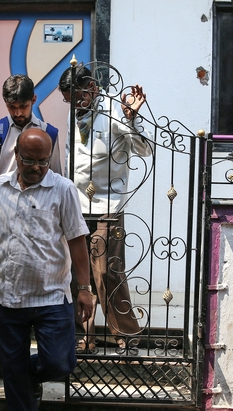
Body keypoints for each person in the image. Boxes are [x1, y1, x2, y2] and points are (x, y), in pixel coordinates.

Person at [0, 128, 94, 411]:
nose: (36, 167)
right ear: (16, 156)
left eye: (43, 161)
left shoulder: (63, 189)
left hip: (51, 294)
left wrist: (84, 287)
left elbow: (77, 240)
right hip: (6, 297)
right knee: (11, 367)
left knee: (60, 362)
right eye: (30, 160)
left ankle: (28, 377)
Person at [58, 66, 154, 352]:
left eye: (77, 97)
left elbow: (145, 149)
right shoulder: (75, 113)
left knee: (106, 273)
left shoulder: (115, 111)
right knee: (79, 274)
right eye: (68, 100)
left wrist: (132, 118)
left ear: (92, 88)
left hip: (107, 206)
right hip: (76, 205)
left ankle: (126, 337)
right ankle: (83, 337)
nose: (74, 105)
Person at [0, 74, 65, 243]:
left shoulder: (49, 134)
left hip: (39, 214)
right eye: (12, 107)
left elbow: (56, 178)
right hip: (2, 212)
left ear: (33, 99)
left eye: (23, 106)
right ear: (5, 102)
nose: (17, 113)